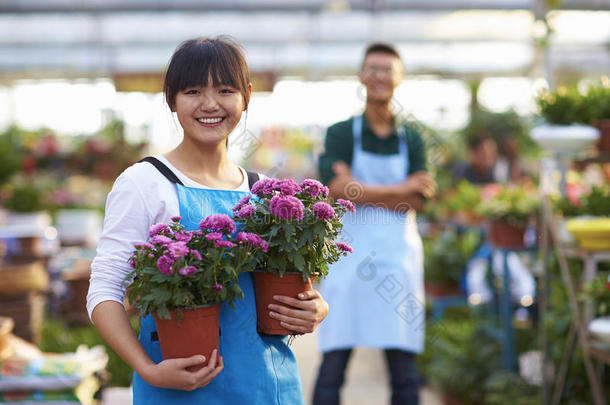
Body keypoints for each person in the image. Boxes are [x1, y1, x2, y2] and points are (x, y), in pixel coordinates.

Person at [86, 37, 329, 405]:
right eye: (193, 91)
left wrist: (316, 308)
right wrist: (148, 370)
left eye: (225, 89)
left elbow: (300, 284)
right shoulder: (145, 182)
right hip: (178, 387)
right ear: (171, 98)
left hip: (268, 386)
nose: (210, 104)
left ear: (246, 96)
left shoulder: (264, 192)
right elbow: (103, 291)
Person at [314, 43, 436, 405]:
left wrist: (360, 190)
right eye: (373, 69)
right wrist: (401, 189)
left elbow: (419, 201)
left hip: (398, 260)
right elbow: (337, 190)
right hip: (349, 258)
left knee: (403, 367)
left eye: (387, 70)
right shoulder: (340, 132)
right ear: (361, 76)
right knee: (334, 358)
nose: (379, 76)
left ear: (399, 78)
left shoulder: (412, 137)